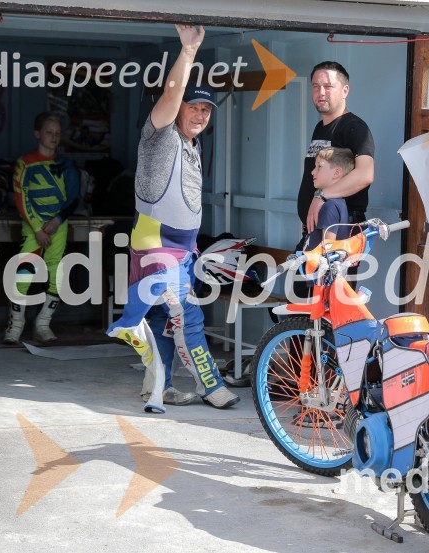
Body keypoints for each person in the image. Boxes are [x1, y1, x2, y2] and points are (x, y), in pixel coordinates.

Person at [107, 24, 239, 413]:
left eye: (205, 109)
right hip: (154, 242)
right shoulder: (159, 134)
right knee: (188, 315)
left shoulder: (193, 144)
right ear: (178, 108)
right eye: (192, 106)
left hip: (181, 249)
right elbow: (171, 92)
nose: (198, 114)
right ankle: (210, 386)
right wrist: (188, 52)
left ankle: (159, 385)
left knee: (167, 318)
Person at [4, 112, 80, 344]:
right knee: (23, 272)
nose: (53, 137)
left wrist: (56, 221)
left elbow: (74, 197)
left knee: (57, 273)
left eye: (57, 134)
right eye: (49, 132)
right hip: (33, 227)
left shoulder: (66, 164)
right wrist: (37, 228)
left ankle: (43, 324)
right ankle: (15, 325)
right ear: (37, 134)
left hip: (58, 225)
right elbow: (20, 196)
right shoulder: (24, 162)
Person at [297, 61, 375, 250]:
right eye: (315, 86)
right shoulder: (319, 127)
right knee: (300, 278)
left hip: (340, 232)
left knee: (333, 282)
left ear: (345, 91)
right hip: (316, 231)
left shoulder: (355, 128)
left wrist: (322, 196)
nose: (321, 92)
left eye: (328, 86)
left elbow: (365, 175)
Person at [301, 147, 355, 251]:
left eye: (319, 167)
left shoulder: (330, 206)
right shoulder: (336, 203)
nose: (312, 172)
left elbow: (329, 252)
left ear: (337, 173)